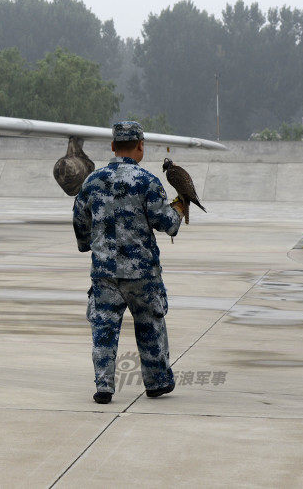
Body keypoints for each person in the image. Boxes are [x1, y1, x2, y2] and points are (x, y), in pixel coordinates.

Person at [72, 121, 184, 404]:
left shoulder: (92, 181)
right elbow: (167, 224)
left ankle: (104, 386)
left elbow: (79, 220)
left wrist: (88, 246)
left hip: (105, 273)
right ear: (140, 147)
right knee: (150, 325)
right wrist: (180, 206)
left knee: (103, 329)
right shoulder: (148, 181)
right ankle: (157, 382)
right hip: (142, 275)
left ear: (112, 146)